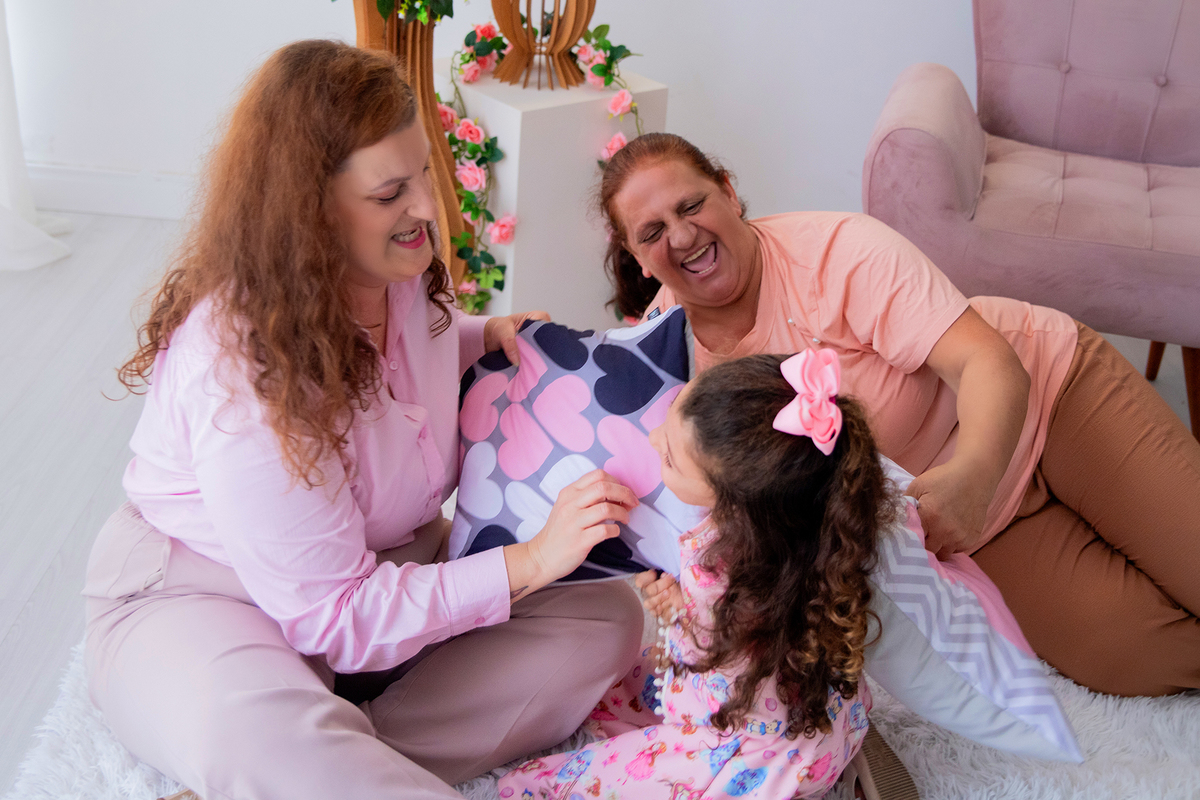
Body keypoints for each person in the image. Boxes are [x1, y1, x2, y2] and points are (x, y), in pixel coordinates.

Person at [83, 40, 645, 800]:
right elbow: (336, 617)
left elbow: (400, 368)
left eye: (424, 174)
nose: (428, 208)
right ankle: (309, 758)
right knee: (255, 734)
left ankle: (340, 756)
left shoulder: (399, 277)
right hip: (207, 600)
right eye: (390, 194)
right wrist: (528, 562)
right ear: (309, 212)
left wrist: (486, 336)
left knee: (603, 617)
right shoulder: (241, 373)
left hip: (379, 573)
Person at [595, 132, 1200, 698]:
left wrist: (975, 476)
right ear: (637, 256)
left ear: (728, 191)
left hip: (1048, 395)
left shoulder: (837, 251)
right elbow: (696, 502)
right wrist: (671, 569)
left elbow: (985, 360)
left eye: (691, 205)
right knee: (1136, 658)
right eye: (652, 231)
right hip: (964, 524)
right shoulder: (661, 357)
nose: (682, 236)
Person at [499, 351, 914, 800]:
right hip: (821, 705)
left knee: (538, 785)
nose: (653, 438)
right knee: (610, 690)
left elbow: (714, 671)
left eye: (671, 459)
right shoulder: (809, 526)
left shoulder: (715, 572)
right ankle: (833, 751)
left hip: (744, 743)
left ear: (734, 501)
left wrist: (678, 612)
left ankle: (794, 781)